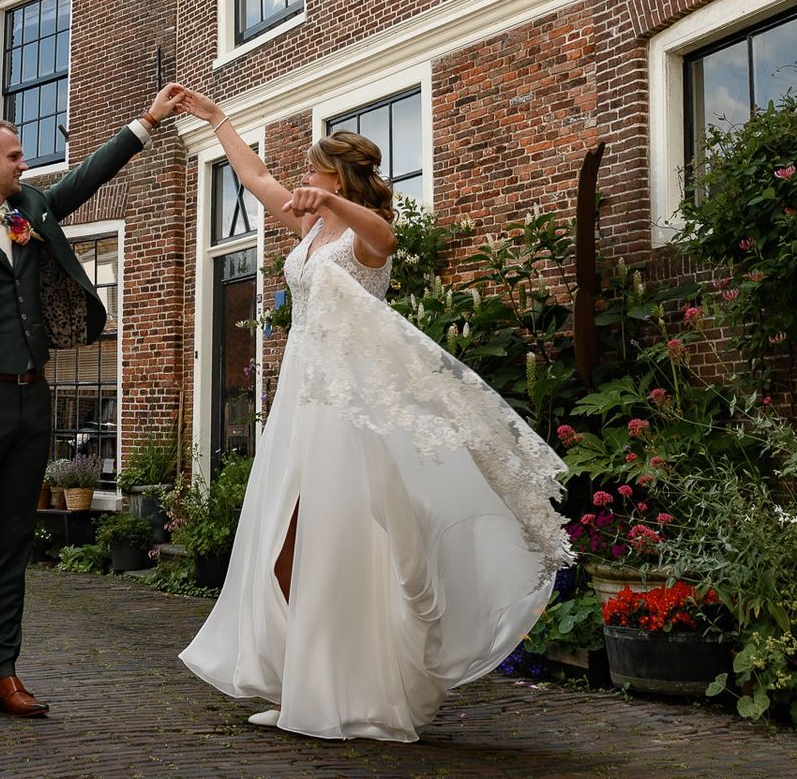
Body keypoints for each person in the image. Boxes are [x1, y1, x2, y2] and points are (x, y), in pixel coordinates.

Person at [174, 87, 573, 742]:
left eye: (313, 172)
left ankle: (345, 693)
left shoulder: (360, 236)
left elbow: (384, 235)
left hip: (346, 406)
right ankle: (301, 678)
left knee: (339, 541)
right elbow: (255, 176)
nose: (302, 181)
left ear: (335, 176)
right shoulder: (308, 227)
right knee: (284, 540)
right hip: (300, 398)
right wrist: (217, 118)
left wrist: (331, 202)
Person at [0, 87, 180, 732]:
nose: (25, 165)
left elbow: (90, 174)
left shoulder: (31, 209)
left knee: (13, 545)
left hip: (33, 399)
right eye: (15, 156)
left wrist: (148, 119)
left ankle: (2, 674)